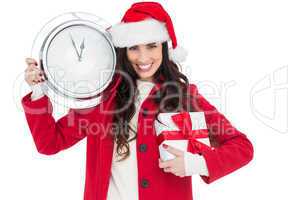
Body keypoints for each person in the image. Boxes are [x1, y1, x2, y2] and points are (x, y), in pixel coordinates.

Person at [22, 2, 253, 200]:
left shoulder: (184, 96)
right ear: (124, 50)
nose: (143, 58)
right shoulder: (103, 95)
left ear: (164, 47)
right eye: (134, 48)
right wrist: (38, 91)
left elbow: (242, 147)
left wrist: (196, 163)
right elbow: (50, 143)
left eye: (152, 46)